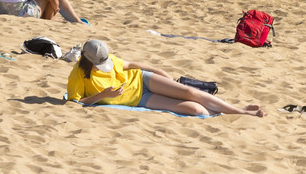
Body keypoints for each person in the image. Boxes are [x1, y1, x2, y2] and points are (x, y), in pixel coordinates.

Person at [68, 39, 264, 117]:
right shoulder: (78, 74)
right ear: (86, 58)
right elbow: (76, 102)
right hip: (138, 99)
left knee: (189, 92)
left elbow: (129, 65)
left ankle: (239, 110)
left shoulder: (105, 56)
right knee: (196, 109)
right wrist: (104, 95)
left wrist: (158, 71)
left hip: (141, 79)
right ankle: (225, 109)